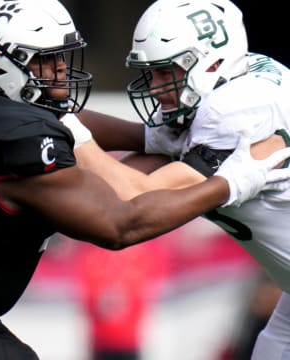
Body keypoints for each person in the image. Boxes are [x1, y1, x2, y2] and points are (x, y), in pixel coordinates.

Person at [0, 0, 288, 359]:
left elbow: (73, 135)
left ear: (212, 64)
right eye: (44, 60)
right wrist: (236, 180)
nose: (60, 70)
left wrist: (149, 137)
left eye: (168, 72)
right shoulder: (12, 135)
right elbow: (122, 221)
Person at [72, 0, 290, 359]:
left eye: (165, 72)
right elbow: (136, 146)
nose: (156, 88)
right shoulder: (234, 82)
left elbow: (134, 195)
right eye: (152, 73)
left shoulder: (230, 111)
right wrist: (44, 117)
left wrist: (68, 131)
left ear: (213, 63)